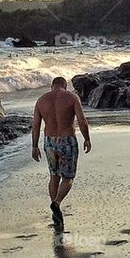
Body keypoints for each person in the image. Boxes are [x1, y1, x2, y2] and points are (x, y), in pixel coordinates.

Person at [32, 76, 91, 227]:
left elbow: (36, 126)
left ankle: (55, 212)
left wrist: (34, 146)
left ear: (52, 86)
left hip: (49, 142)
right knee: (68, 177)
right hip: (67, 141)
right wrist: (87, 138)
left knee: (54, 176)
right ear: (65, 86)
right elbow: (82, 121)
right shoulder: (72, 97)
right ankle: (57, 203)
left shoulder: (41, 100)